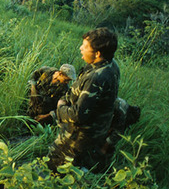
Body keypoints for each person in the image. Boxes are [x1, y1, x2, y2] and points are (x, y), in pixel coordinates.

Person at [47, 27, 120, 173]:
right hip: (93, 135)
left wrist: (60, 107)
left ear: (97, 54)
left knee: (55, 167)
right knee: (75, 170)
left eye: (85, 46)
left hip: (78, 138)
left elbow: (78, 115)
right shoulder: (111, 65)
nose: (81, 48)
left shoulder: (97, 77)